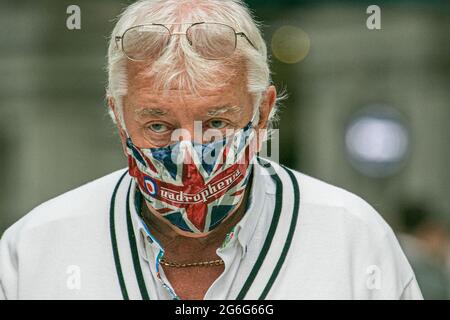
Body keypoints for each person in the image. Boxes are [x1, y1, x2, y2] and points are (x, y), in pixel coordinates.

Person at [0, 0, 422, 300]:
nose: (187, 154)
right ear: (117, 114)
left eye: (216, 123)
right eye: (159, 125)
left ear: (262, 113)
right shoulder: (35, 250)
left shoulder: (353, 239)